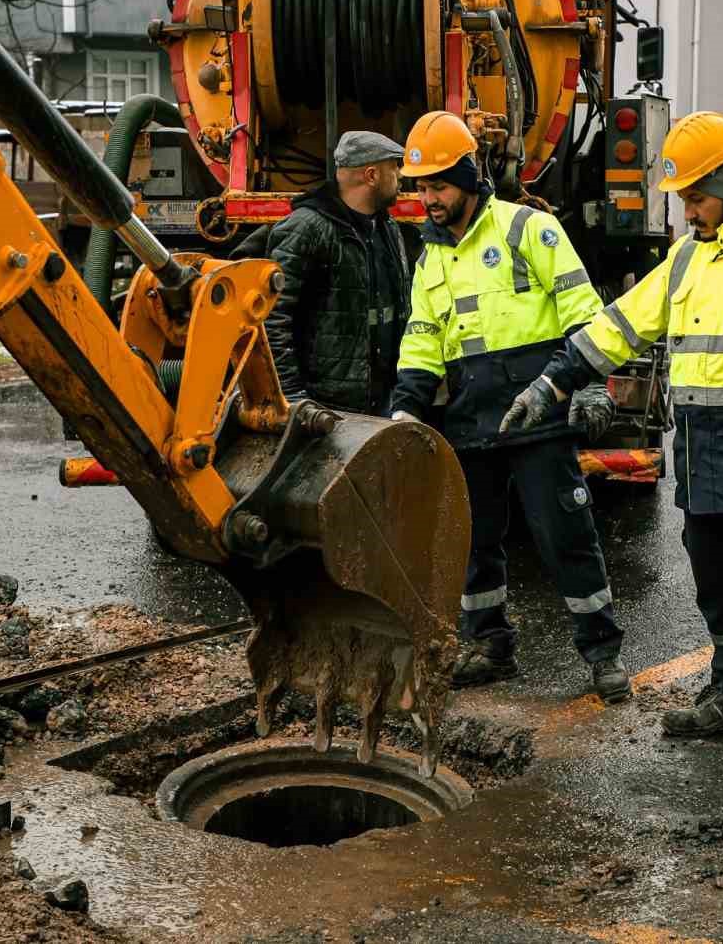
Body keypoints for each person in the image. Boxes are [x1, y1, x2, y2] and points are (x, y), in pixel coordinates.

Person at [504, 111, 723, 777]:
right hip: (704, 455)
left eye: (696, 195)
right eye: (683, 197)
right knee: (719, 589)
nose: (688, 210)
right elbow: (618, 328)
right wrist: (553, 383)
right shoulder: (688, 256)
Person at [389, 111, 628, 703]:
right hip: (471, 423)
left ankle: (602, 653)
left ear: (470, 176)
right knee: (473, 543)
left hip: (540, 416)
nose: (429, 199)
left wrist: (591, 384)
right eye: (421, 187)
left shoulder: (528, 230)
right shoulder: (429, 260)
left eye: (439, 185)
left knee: (565, 537)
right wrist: (405, 412)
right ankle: (490, 645)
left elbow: (581, 309)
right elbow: (422, 342)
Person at [232, 131, 410, 415]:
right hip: (328, 408)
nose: (401, 176)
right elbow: (271, 321)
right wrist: (292, 398)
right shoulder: (307, 229)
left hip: (381, 401)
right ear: (372, 175)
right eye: (394, 167)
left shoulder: (387, 227)